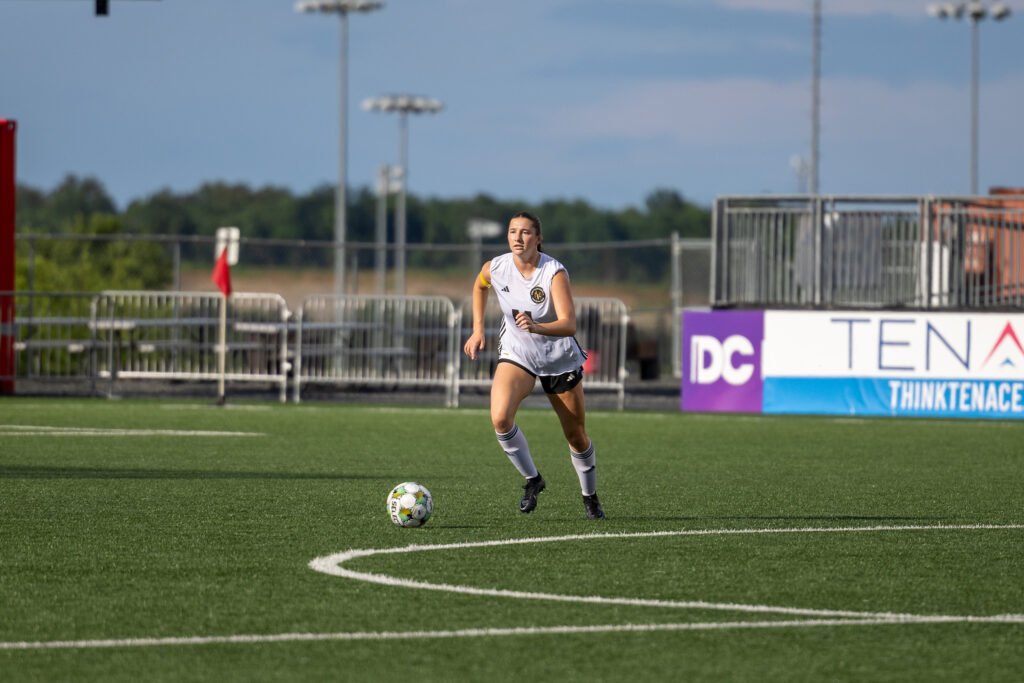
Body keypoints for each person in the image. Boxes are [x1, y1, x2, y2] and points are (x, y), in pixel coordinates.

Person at [463, 211, 605, 520]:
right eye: (512, 231)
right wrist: (477, 329)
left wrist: (537, 326)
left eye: (525, 232)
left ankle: (590, 496)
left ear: (537, 239)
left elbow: (569, 324)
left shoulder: (553, 272)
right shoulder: (497, 266)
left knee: (576, 436)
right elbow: (479, 285)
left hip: (558, 359)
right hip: (518, 354)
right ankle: (533, 480)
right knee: (500, 419)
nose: (517, 237)